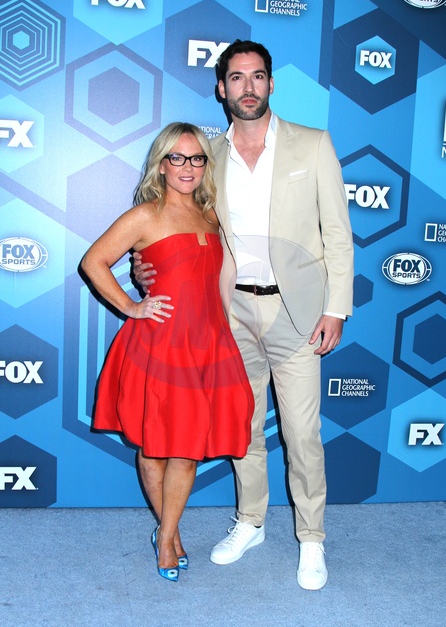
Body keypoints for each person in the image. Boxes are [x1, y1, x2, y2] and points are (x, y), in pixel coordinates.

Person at [134, 40, 354, 590]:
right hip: (228, 314)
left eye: (257, 76)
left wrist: (336, 308)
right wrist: (144, 266)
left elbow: (338, 235)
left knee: (302, 434)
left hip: (297, 311)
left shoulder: (313, 144)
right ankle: (251, 521)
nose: (248, 87)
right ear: (221, 88)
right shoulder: (206, 157)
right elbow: (180, 226)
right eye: (236, 77)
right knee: (243, 427)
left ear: (271, 84)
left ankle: (311, 539)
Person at [81, 122, 254, 583]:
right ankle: (169, 538)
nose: (187, 167)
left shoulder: (212, 215)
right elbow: (93, 261)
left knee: (186, 447)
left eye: (196, 158)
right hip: (159, 344)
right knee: (155, 443)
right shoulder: (145, 215)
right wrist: (132, 306)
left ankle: (166, 532)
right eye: (177, 157)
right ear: (161, 164)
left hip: (208, 343)